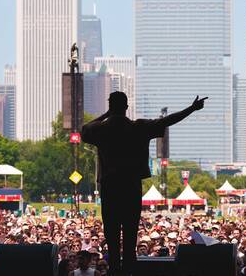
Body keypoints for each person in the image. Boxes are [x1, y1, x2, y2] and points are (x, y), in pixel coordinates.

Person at [82, 92, 207, 275]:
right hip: (131, 186)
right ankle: (129, 271)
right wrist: (191, 108)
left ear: (110, 106)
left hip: (110, 187)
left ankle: (115, 270)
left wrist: (107, 115)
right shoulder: (138, 127)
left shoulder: (101, 129)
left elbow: (85, 129)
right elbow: (167, 121)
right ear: (126, 107)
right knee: (131, 235)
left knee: (112, 234)